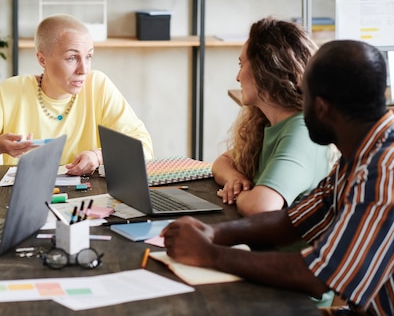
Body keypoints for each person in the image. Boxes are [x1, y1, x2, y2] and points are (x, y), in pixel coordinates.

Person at [162, 40, 394, 316]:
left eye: (304, 96)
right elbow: (295, 220)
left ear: (321, 108)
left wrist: (210, 254)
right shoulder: (362, 151)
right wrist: (214, 233)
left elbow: (320, 276)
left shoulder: (384, 174)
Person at [0, 14, 153, 175]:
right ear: (42, 60)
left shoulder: (98, 86)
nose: (84, 69)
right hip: (24, 203)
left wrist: (98, 156)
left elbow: (143, 148)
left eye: (88, 56)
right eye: (72, 58)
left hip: (87, 202)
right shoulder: (11, 91)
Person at [213, 17, 332, 216]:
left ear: (265, 70)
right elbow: (223, 161)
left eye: (241, 64)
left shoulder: (302, 130)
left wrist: (242, 194)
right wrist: (234, 179)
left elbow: (261, 206)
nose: (237, 76)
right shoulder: (269, 123)